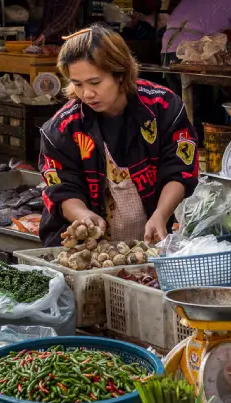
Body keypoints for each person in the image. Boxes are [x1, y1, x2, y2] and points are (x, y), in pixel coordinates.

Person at [39, 24, 198, 247]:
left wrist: (161, 214)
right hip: (84, 248)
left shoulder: (163, 107)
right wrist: (83, 215)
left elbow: (180, 169)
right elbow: (61, 187)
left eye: (95, 82)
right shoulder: (62, 128)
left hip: (152, 241)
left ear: (121, 75)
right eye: (77, 84)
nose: (87, 93)